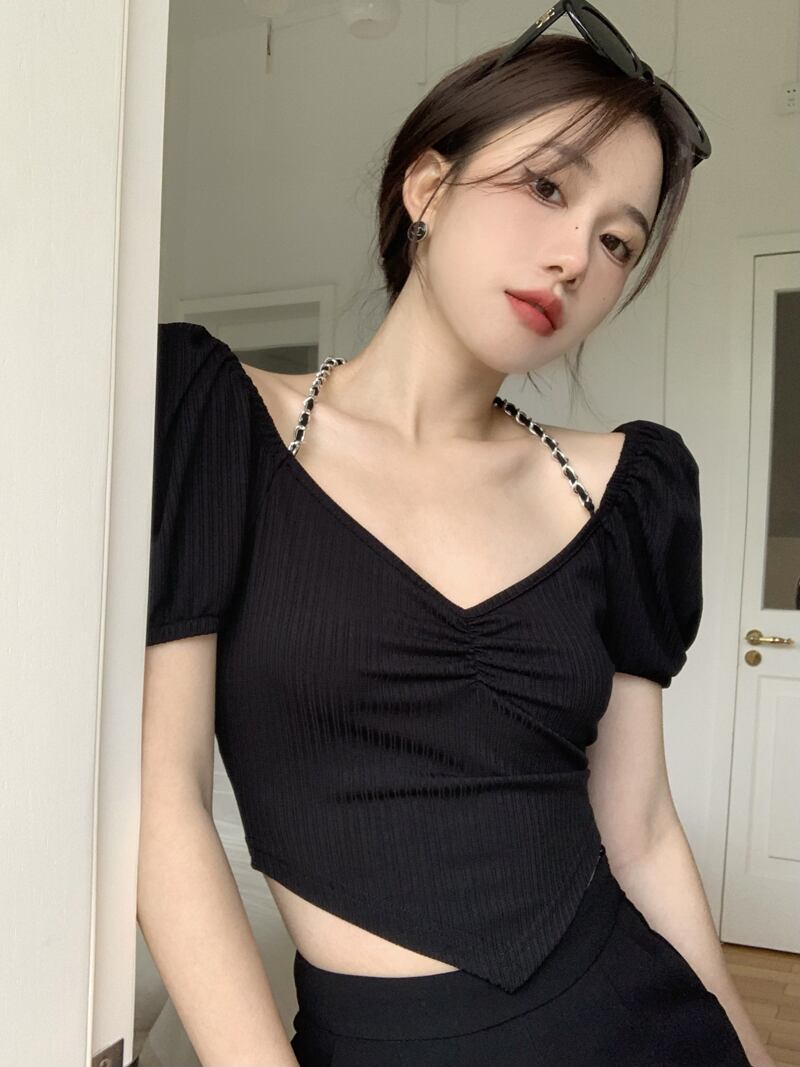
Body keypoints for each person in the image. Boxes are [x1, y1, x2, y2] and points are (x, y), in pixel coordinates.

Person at [137, 4, 772, 1065]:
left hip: (640, 1018)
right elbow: (162, 804)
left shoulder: (625, 489)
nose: (574, 257)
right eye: (547, 187)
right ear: (426, 186)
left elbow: (641, 830)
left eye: (617, 241)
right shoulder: (217, 418)